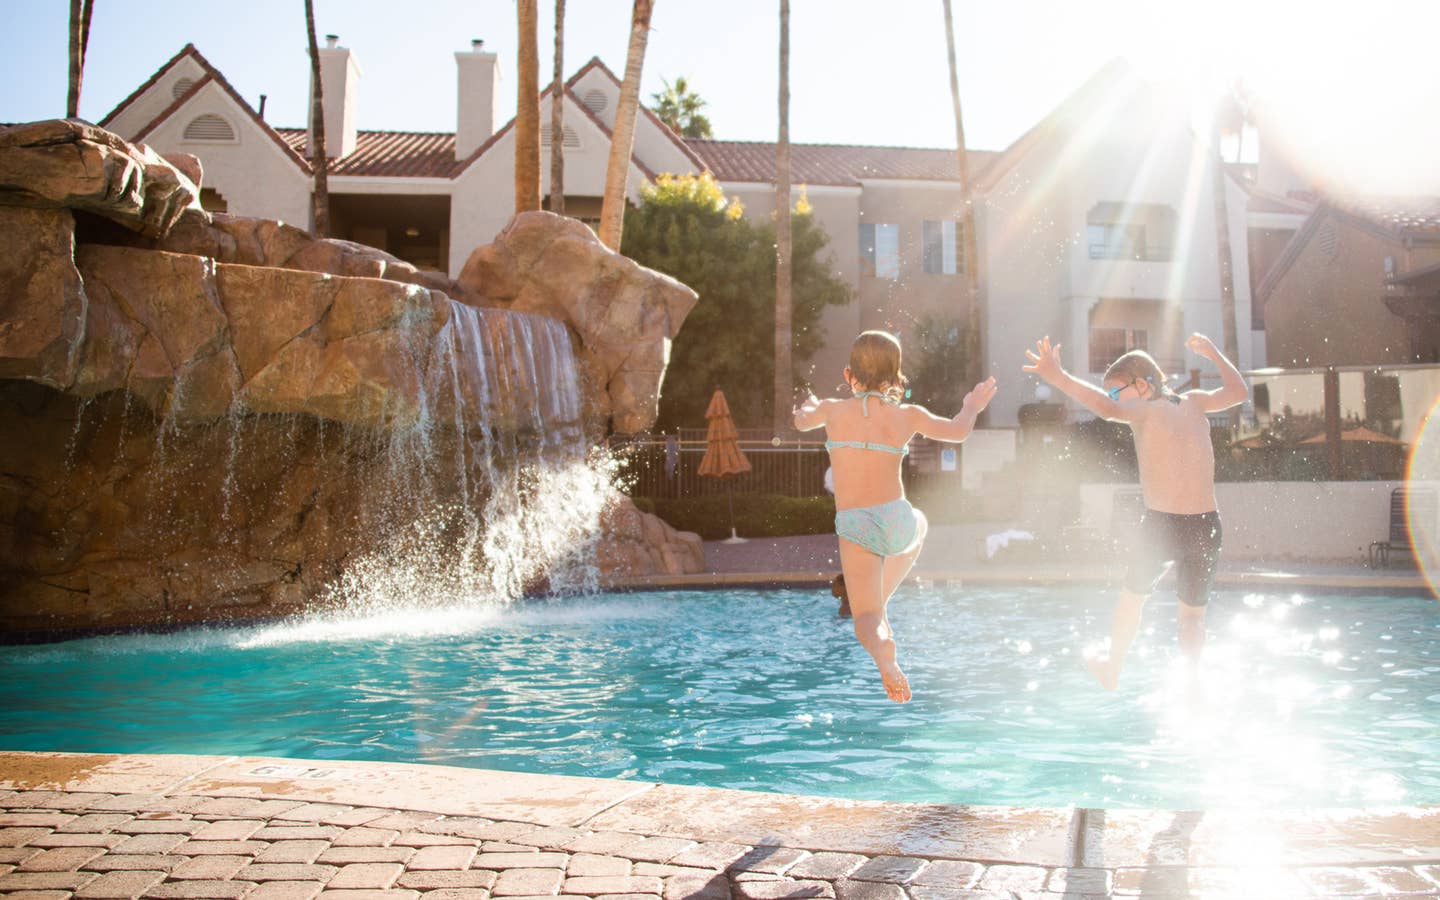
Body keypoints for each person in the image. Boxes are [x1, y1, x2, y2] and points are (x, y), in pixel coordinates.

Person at [1022, 333, 1248, 689]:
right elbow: (1238, 393)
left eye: (1116, 391)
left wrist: (1059, 377)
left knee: (1131, 600)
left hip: (1162, 526)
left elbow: (1107, 409)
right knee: (1192, 619)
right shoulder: (1195, 402)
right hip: (1207, 525)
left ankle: (1112, 669)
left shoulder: (1146, 409)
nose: (1115, 399)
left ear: (1141, 385)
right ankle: (1192, 685)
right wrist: (1213, 353)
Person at [795, 330, 997, 703]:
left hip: (857, 524)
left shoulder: (831, 410)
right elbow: (957, 431)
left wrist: (805, 406)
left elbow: (801, 421)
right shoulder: (908, 414)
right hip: (897, 516)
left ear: (848, 375)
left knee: (865, 617)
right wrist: (971, 405)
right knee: (920, 523)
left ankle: (883, 650)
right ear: (895, 377)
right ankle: (882, 597)